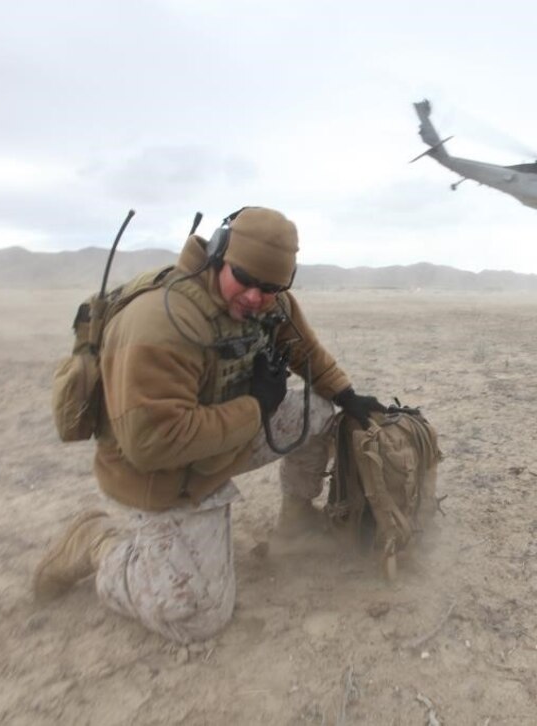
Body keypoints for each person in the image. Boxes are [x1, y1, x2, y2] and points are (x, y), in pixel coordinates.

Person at [32, 206, 386, 643]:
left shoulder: (268, 303)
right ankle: (97, 543)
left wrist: (347, 396)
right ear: (219, 254)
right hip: (160, 471)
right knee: (197, 616)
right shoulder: (161, 324)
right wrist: (257, 406)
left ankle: (296, 521)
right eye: (246, 279)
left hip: (220, 438)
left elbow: (305, 352)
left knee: (318, 409)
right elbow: (153, 444)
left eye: (271, 287)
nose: (256, 297)